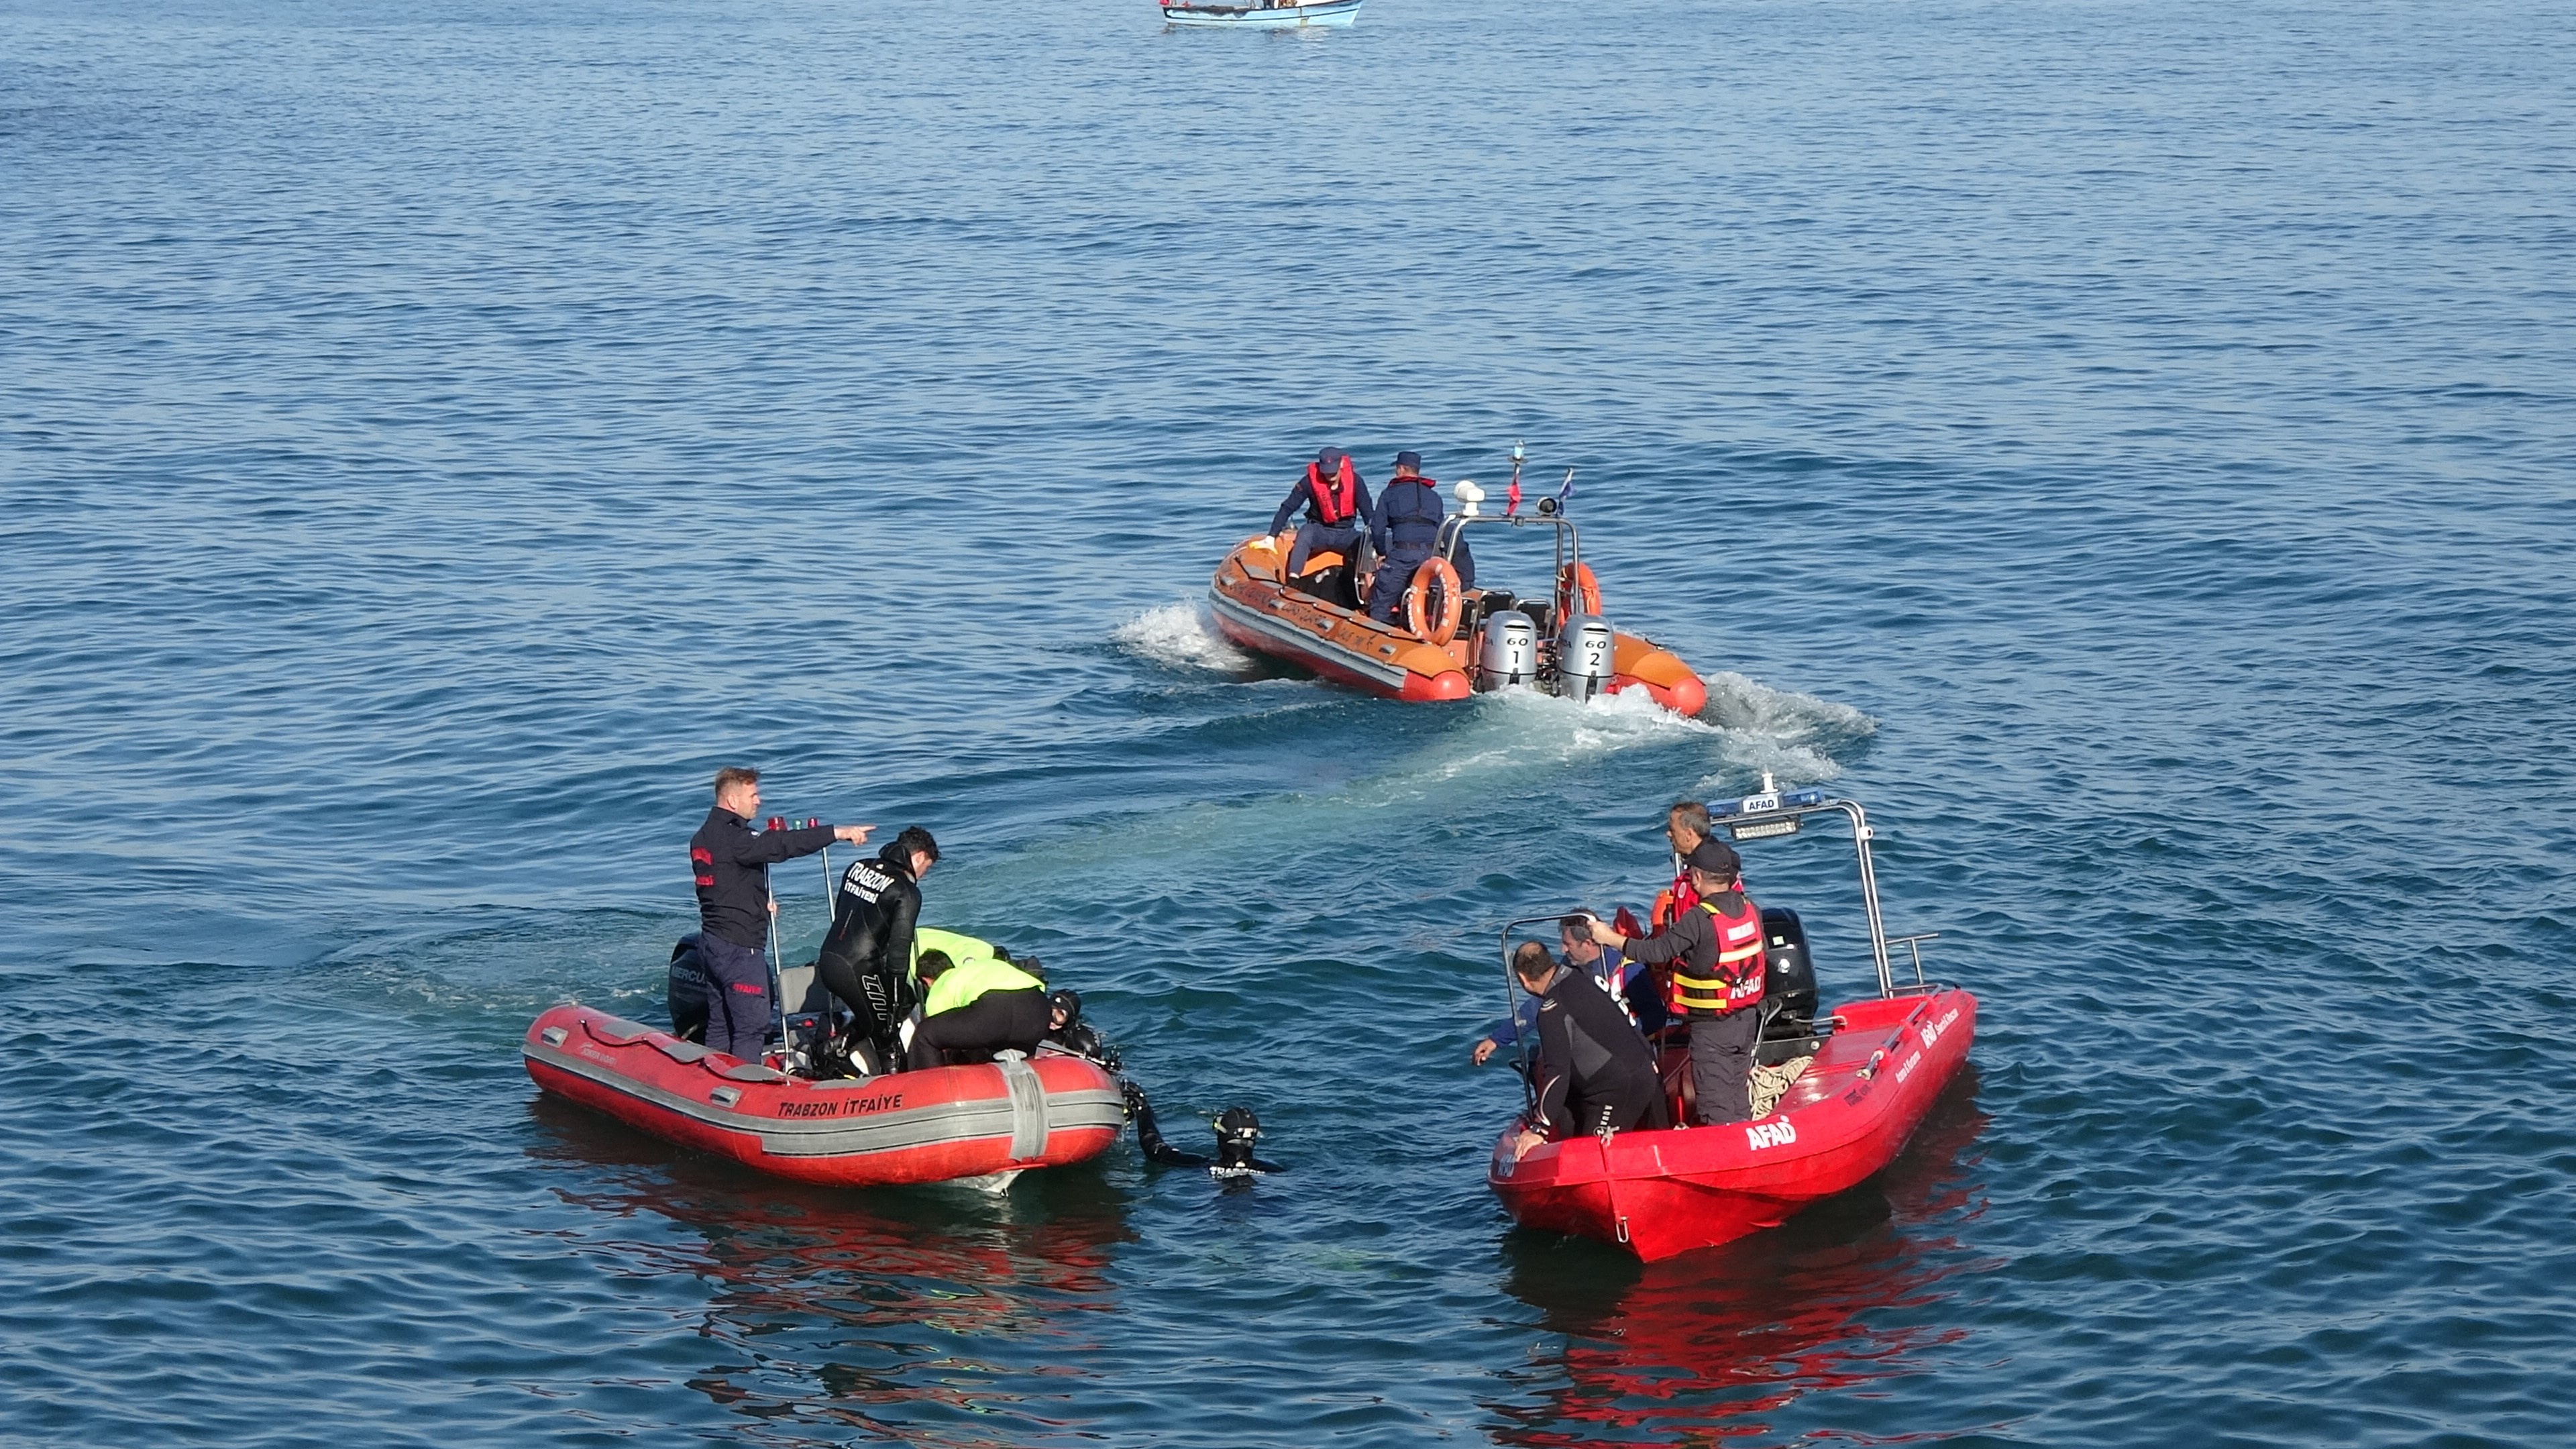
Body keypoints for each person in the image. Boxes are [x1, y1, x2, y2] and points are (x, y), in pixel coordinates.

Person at [687, 767, 873, 1061]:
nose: (759, 801)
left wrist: (758, 901)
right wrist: (837, 833)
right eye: (754, 795)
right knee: (752, 1026)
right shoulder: (738, 837)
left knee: (721, 1024)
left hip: (712, 943)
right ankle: (742, 1091)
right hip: (739, 948)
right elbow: (781, 845)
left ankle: (712, 1079)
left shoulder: (703, 836)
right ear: (733, 800)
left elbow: (722, 881)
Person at [1591, 839, 1766, 1124]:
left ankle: (1726, 1158)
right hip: (1746, 1019)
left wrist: (1609, 937)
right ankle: (1744, 1139)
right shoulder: (1751, 909)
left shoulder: (1699, 919)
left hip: (1712, 1028)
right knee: (1736, 1094)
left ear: (1696, 877)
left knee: (1716, 1104)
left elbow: (1655, 951)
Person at [1503, 941, 1668, 1159]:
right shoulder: (1585, 977)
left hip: (1615, 1091)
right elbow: (1627, 1020)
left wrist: (1540, 1129)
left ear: (1523, 979)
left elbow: (1557, 1072)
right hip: (1645, 1070)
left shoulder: (1552, 1010)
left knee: (1590, 1158)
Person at [815, 825, 939, 1073]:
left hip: (829, 959)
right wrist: (891, 1008)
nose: (923, 876)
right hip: (858, 971)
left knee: (907, 998)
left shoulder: (857, 867)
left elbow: (843, 916)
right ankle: (901, 1101)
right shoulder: (907, 891)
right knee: (889, 1042)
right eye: (926, 869)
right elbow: (898, 953)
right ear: (919, 857)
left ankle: (839, 1044)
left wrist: (896, 1000)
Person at [1470, 914, 1662, 1065]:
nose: (1562, 950)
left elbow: (1657, 1015)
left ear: (1587, 944)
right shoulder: (1568, 968)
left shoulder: (1628, 970)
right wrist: (1496, 1040)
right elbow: (1537, 1006)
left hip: (1629, 1052)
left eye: (1567, 944)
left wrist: (1624, 1033)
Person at [909, 943, 1051, 1069]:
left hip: (994, 1009)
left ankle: (937, 1090)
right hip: (1039, 1010)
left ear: (926, 980)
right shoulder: (981, 967)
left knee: (925, 1034)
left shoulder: (942, 984)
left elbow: (942, 1036)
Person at [1269, 446, 1377, 578]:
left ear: (1341, 464)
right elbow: (1288, 507)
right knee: (1305, 533)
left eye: (1333, 471)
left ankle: (1364, 585)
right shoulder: (1309, 482)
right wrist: (1272, 535)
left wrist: (1376, 539)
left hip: (1346, 534)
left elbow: (1368, 514)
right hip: (1319, 531)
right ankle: (1293, 578)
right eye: (1326, 471)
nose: (1330, 475)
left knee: (1366, 544)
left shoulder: (1356, 482)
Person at [1366, 450, 1448, 625]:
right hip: (1430, 558)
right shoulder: (1435, 497)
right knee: (1427, 601)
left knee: (1381, 601)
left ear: (1401, 469)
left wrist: (1381, 552)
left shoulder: (1389, 494)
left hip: (1403, 554)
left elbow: (1377, 528)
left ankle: (1381, 637)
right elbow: (1441, 529)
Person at [1650, 800, 1713, 932]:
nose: (1668, 834)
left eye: (1672, 829)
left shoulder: (1707, 873)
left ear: (1689, 835)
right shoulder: (1719, 863)